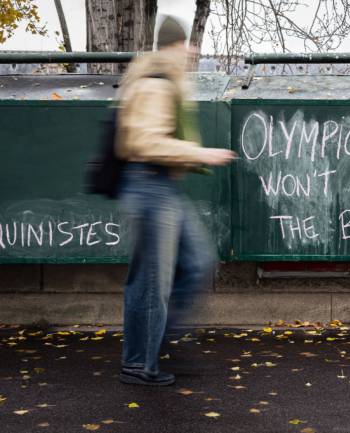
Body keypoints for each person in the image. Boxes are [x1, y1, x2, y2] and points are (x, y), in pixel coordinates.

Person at [115, 15, 237, 386]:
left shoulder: (165, 80)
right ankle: (139, 362)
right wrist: (200, 153)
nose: (192, 49)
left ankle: (163, 338)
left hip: (162, 187)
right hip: (150, 186)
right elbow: (143, 142)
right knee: (151, 283)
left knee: (197, 262)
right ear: (171, 45)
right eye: (185, 43)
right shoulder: (154, 83)